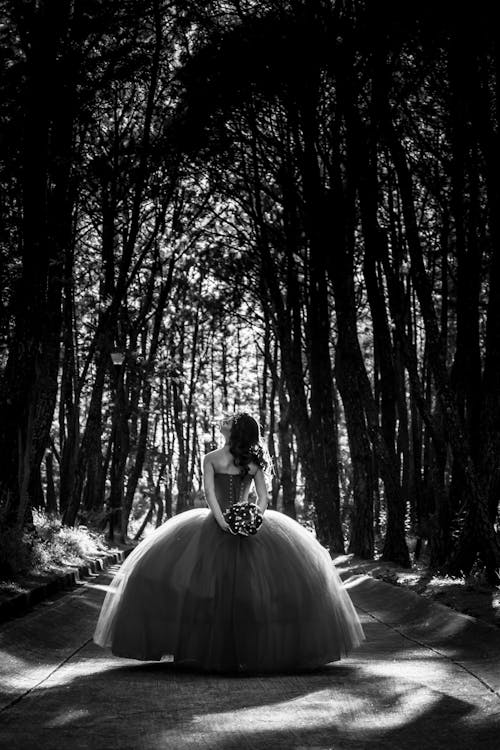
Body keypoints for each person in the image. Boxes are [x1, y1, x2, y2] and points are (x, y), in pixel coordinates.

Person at [93, 411, 364, 672]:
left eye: (230, 421)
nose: (224, 422)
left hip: (224, 520)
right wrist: (250, 517)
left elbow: (221, 494)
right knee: (237, 586)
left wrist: (230, 520)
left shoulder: (215, 458)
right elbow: (258, 498)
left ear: (235, 431)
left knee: (228, 586)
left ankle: (232, 647)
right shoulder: (243, 461)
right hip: (233, 521)